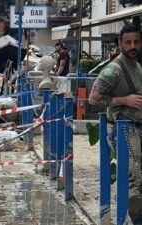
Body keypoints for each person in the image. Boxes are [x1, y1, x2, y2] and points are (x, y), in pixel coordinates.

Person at [89, 24, 142, 223]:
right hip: (123, 131)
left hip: (136, 128)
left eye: (136, 41)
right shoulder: (114, 70)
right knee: (134, 180)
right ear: (120, 44)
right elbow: (93, 99)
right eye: (128, 42)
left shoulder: (136, 66)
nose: (132, 46)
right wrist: (123, 100)